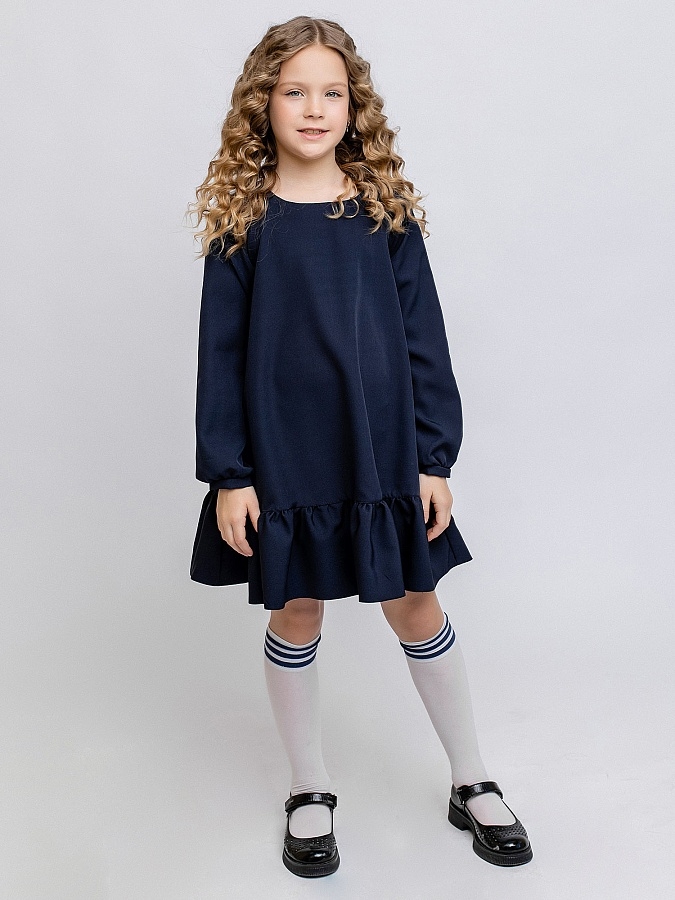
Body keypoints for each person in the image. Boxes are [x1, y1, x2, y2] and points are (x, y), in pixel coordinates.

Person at [187, 15, 532, 878]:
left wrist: (432, 457)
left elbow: (423, 339)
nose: (314, 108)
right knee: (296, 610)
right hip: (284, 455)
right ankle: (309, 786)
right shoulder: (242, 222)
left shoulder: (382, 212)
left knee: (415, 605)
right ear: (262, 104)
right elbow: (219, 355)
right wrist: (231, 474)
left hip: (379, 452)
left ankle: (470, 777)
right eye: (294, 91)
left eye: (331, 93)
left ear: (354, 106)